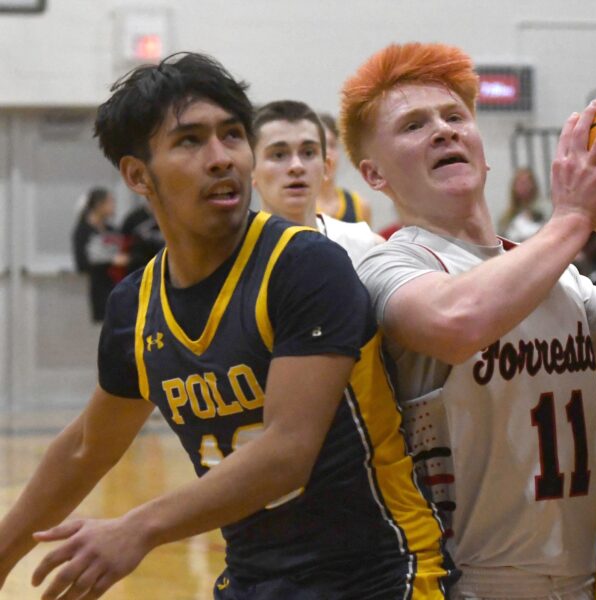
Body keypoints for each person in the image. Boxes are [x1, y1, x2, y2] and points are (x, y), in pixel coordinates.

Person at [0, 52, 453, 599]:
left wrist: (138, 528)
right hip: (254, 579)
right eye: (190, 141)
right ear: (138, 175)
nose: (221, 158)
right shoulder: (135, 307)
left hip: (382, 576)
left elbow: (287, 452)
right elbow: (86, 447)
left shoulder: (304, 265)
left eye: (232, 135)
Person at [342, 42, 596, 598]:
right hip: (469, 581)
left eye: (455, 117)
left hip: (589, 574)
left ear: (483, 151)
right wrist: (572, 217)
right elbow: (458, 322)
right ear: (374, 174)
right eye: (413, 125)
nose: (443, 131)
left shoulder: (553, 275)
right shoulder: (386, 266)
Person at [251, 100, 383, 266]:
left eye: (308, 153)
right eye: (279, 155)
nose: (297, 166)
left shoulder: (367, 247)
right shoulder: (230, 252)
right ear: (250, 169)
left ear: (326, 167)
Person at [71, 186, 128, 322]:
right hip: (100, 288)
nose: (113, 206)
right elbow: (82, 263)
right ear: (99, 205)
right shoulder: (83, 230)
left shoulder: (111, 229)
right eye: (110, 202)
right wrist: (111, 261)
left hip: (119, 285)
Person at [316, 112, 373, 224]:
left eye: (332, 145)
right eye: (319, 146)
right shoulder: (295, 206)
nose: (327, 154)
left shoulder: (360, 206)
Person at [497, 167, 547, 242]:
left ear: (533, 186)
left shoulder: (543, 213)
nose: (524, 186)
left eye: (527, 182)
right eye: (520, 182)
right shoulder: (506, 219)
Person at [120, 201, 165, 274]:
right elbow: (123, 241)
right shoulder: (133, 218)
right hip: (137, 268)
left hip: (162, 267)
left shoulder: (168, 218)